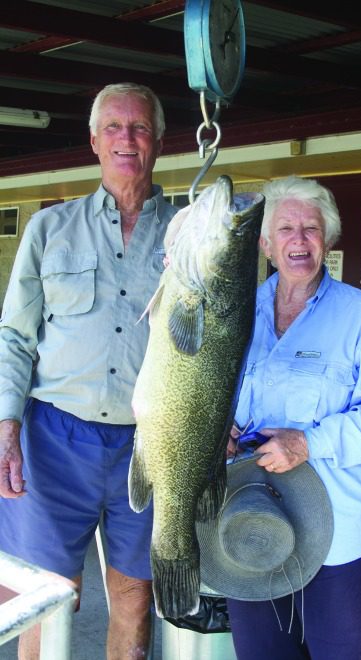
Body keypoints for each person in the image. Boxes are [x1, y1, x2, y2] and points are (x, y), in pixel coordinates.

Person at [0, 82, 178, 659]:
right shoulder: (50, 230)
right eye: (115, 128)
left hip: (149, 444)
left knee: (133, 593)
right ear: (94, 141)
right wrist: (5, 426)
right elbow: (15, 337)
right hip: (54, 440)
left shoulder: (186, 235)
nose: (128, 138)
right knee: (49, 596)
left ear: (159, 141)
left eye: (140, 127)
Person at [222, 175, 361, 659]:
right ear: (266, 244)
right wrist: (217, 428)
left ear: (328, 240)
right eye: (285, 228)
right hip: (254, 523)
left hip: (344, 537)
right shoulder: (237, 313)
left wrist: (309, 443)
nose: (299, 240)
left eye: (311, 228)